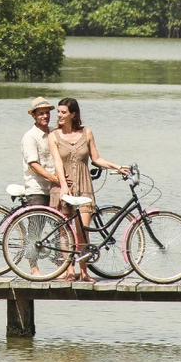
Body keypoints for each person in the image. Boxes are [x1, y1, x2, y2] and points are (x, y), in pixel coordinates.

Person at [49, 97, 130, 281]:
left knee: (82, 231)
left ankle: (84, 272)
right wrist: (63, 186)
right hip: (64, 186)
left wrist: (117, 167)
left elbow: (97, 159)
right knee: (65, 231)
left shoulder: (87, 133)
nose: (59, 116)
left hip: (84, 186)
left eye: (63, 112)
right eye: (58, 112)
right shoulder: (54, 136)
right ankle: (69, 270)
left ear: (73, 114)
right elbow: (57, 163)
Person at [20, 97, 60, 276]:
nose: (45, 116)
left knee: (61, 226)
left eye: (47, 112)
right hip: (37, 187)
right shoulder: (30, 137)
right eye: (41, 113)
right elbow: (33, 165)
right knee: (36, 228)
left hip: (55, 187)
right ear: (34, 115)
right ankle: (33, 267)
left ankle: (62, 265)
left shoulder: (54, 133)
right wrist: (54, 178)